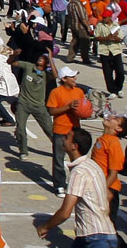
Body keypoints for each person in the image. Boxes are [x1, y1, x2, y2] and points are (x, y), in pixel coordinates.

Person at [36, 127, 116, 248]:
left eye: (66, 138)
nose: (63, 139)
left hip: (93, 238)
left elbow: (65, 213)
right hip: (101, 233)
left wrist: (45, 226)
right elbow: (108, 195)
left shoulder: (79, 172)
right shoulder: (93, 165)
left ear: (74, 146)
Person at [90, 114, 127, 248]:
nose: (111, 117)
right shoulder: (103, 139)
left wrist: (102, 191)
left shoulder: (113, 143)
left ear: (118, 128)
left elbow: (113, 173)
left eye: (116, 119)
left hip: (108, 189)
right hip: (99, 187)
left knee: (108, 227)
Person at [46, 65, 85, 197]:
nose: (75, 79)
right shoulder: (56, 92)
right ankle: (59, 185)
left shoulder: (79, 91)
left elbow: (82, 109)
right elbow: (52, 111)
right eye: (72, 77)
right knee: (59, 158)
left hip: (75, 130)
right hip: (60, 129)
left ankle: (77, 183)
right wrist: (68, 107)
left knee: (78, 159)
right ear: (64, 79)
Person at [11, 50, 55, 158]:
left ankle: (59, 149)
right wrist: (14, 55)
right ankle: (23, 151)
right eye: (40, 57)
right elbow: (11, 63)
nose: (41, 59)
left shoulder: (45, 75)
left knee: (49, 129)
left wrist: (50, 57)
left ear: (46, 63)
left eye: (44, 59)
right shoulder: (28, 66)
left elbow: (55, 75)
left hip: (39, 106)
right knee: (20, 128)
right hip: (23, 103)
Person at [94, 10, 124, 98]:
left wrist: (115, 38)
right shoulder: (100, 25)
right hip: (104, 51)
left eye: (105, 17)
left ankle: (118, 88)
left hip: (116, 51)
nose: (104, 19)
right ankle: (112, 90)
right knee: (107, 72)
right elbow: (96, 37)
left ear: (110, 17)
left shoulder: (116, 25)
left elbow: (120, 38)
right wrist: (107, 38)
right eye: (103, 17)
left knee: (120, 71)